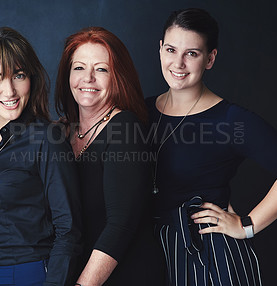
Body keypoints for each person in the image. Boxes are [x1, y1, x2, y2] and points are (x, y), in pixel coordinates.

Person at [146, 8, 277, 286]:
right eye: (172, 50)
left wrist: (247, 226)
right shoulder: (140, 110)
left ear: (210, 59)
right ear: (160, 49)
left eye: (192, 53)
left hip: (207, 255)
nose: (178, 63)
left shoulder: (231, 119)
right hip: (149, 251)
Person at [0, 27, 81, 286]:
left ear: (31, 78)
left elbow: (69, 230)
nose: (10, 91)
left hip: (38, 276)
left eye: (18, 75)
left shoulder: (47, 139)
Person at [55, 26, 166, 286]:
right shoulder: (62, 132)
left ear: (118, 77)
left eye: (101, 69)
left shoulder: (124, 127)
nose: (88, 78)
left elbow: (121, 226)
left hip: (125, 276)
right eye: (79, 68)